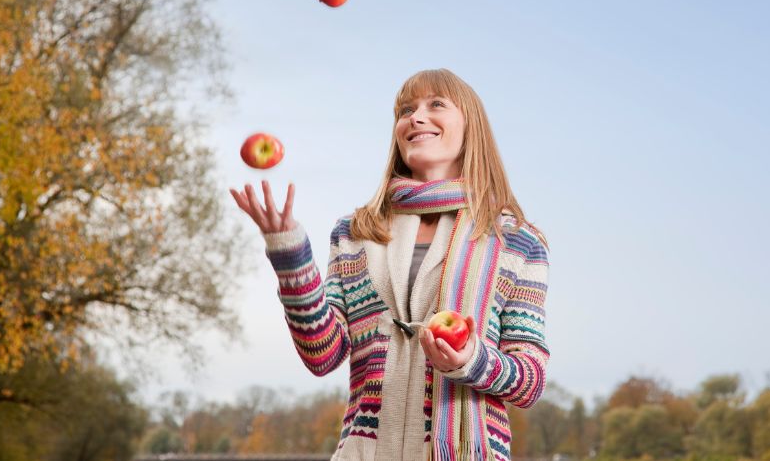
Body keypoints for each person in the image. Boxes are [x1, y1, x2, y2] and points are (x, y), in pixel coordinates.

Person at [231, 68, 550, 461]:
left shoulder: (516, 243)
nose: (415, 117)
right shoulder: (356, 233)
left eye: (436, 104)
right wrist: (288, 252)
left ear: (472, 126)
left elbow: (529, 380)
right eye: (405, 110)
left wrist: (470, 359)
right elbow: (323, 353)